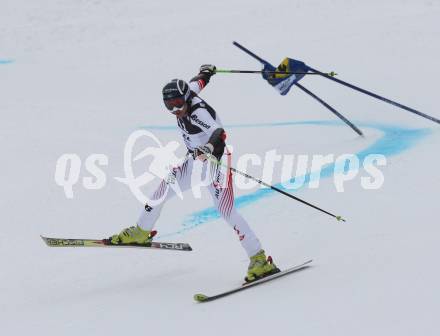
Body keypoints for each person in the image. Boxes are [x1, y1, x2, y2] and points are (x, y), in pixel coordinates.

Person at [109, 65, 279, 282]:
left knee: (226, 210)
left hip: (215, 161)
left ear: (186, 99)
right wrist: (205, 73)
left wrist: (208, 148)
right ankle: (141, 231)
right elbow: (198, 81)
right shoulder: (186, 93)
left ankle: (259, 259)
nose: (175, 109)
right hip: (194, 160)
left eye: (178, 104)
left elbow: (219, 132)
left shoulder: (198, 112)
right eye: (169, 105)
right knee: (163, 188)